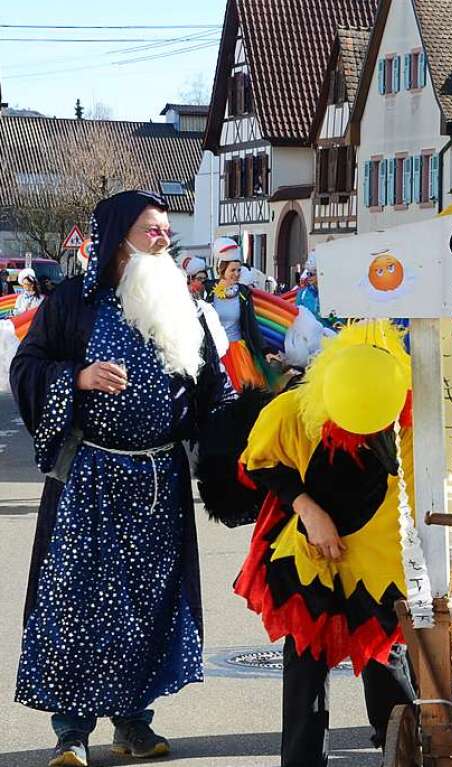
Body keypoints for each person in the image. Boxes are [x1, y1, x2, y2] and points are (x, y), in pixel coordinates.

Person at [9, 190, 233, 767]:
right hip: (90, 478)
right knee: (76, 600)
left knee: (147, 604)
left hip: (161, 481)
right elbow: (26, 367)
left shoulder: (185, 306)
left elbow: (212, 389)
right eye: (151, 229)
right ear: (117, 239)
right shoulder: (72, 304)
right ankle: (71, 733)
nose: (163, 238)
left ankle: (133, 724)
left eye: (163, 230)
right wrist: (76, 377)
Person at [226, 321, 415, 766]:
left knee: (386, 652)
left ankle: (404, 750)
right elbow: (259, 462)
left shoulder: (411, 412)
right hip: (312, 553)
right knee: (307, 659)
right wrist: (308, 511)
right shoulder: (293, 410)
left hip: (379, 550)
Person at [209, 236, 273, 390]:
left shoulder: (243, 293)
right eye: (232, 270)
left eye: (239, 270)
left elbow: (252, 325)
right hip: (214, 353)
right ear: (221, 269)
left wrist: (266, 351)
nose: (236, 274)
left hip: (238, 353)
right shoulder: (207, 292)